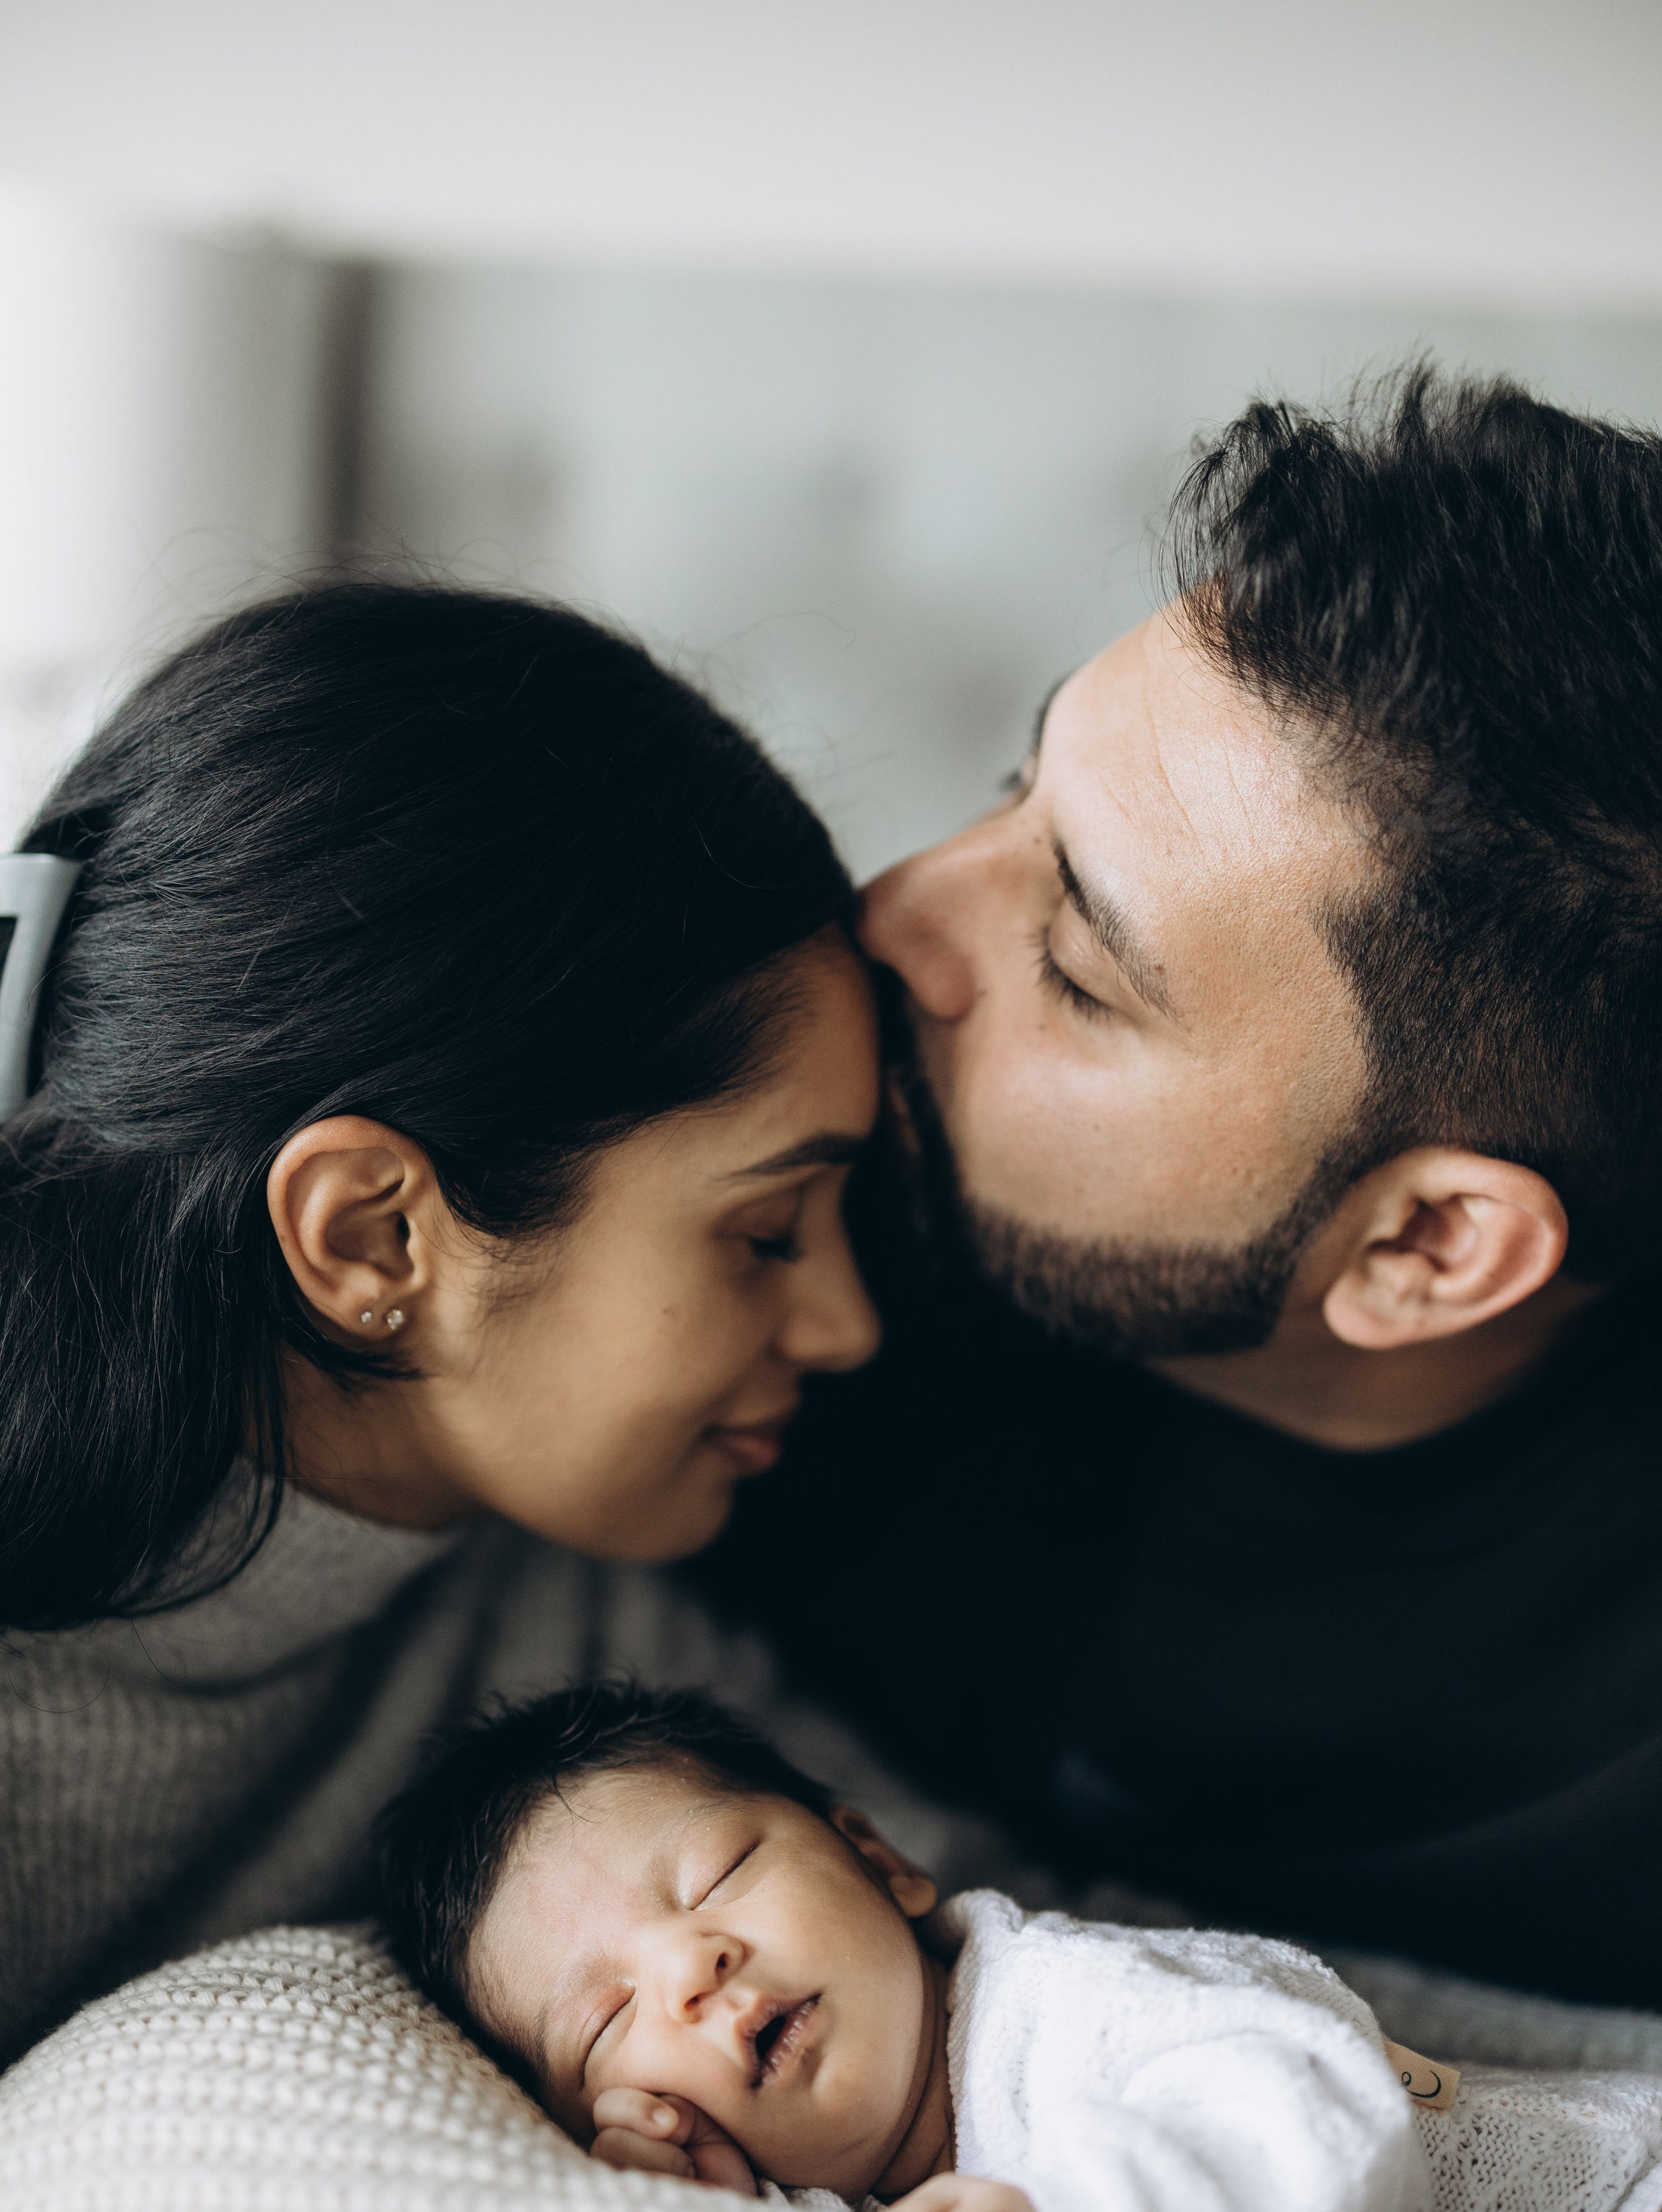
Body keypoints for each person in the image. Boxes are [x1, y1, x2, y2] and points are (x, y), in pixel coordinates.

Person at [693, 362, 1662, 2011]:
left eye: (1074, 962)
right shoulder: (756, 1244)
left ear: (1426, 1243)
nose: (889, 911)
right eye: (1016, 786)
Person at [0, 580, 908, 2078]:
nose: (846, 1325)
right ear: (373, 1235)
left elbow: (1014, 1940)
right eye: (762, 1232)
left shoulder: (553, 1638)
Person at [377, 1679, 1662, 2212]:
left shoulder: (1064, 2002)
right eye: (606, 2020)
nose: (691, 1966)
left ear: (877, 1862)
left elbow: (1313, 2114)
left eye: (716, 1877)